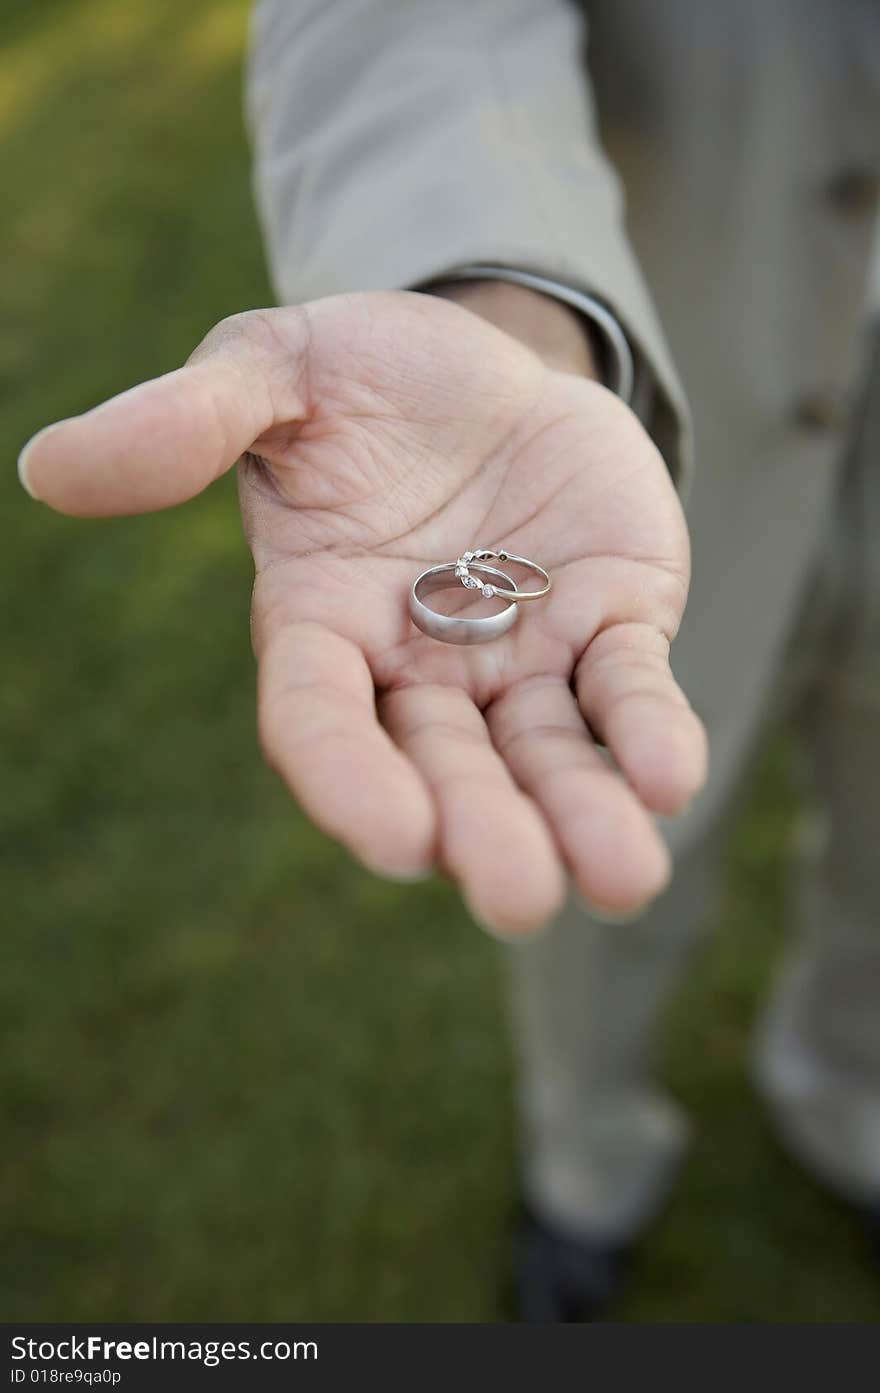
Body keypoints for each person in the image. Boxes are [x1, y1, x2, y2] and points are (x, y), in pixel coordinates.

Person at [17, 0, 880, 1320]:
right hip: (652, 410)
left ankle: (850, 1092)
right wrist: (502, 311)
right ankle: (587, 1166)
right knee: (593, 847)